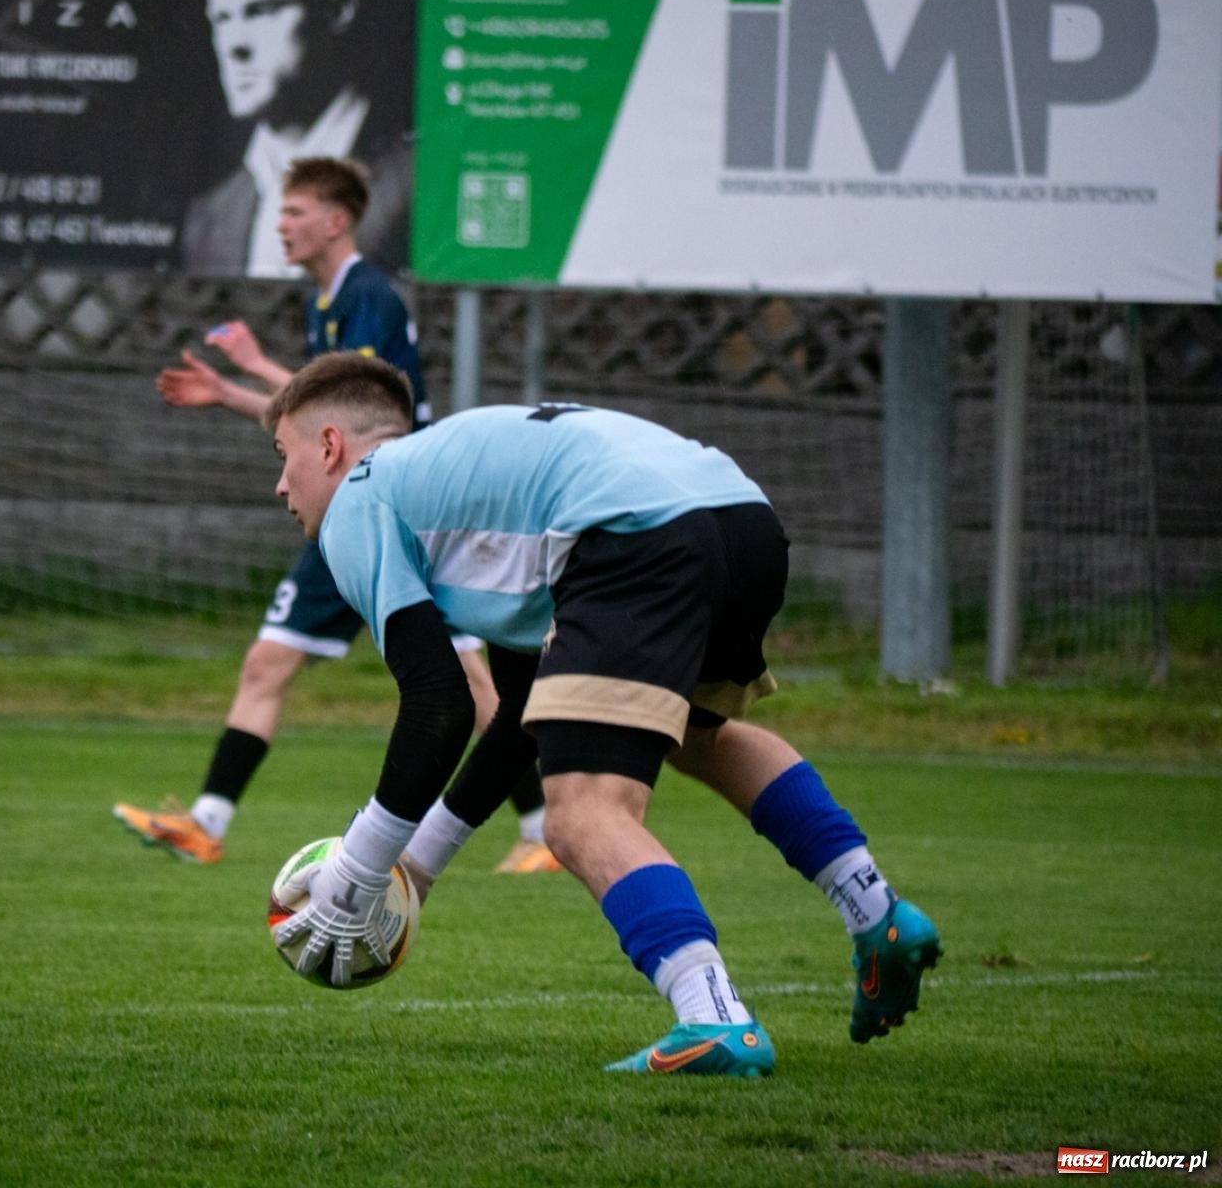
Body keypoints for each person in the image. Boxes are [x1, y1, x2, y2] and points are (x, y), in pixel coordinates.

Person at [264, 352, 944, 1076]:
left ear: (331, 446)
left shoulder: (364, 495)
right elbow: (522, 716)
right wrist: (418, 868)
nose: (280, 486)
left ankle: (713, 1018)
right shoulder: (471, 493)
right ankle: (877, 914)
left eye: (283, 456)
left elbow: (439, 705)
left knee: (581, 812)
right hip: (743, 523)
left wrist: (359, 874)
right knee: (699, 738)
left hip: (636, 537)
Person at [114, 156, 557, 875]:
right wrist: (235, 388)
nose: (281, 225)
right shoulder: (324, 302)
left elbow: (354, 420)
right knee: (275, 663)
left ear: (336, 221)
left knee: (477, 689)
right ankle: (206, 821)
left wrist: (252, 372)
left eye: (295, 212)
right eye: (281, 211)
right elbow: (315, 421)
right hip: (363, 507)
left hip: (385, 514)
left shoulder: (370, 298)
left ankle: (543, 830)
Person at [181, 0, 411, 277]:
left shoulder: (418, 181)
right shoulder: (208, 220)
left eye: (262, 10)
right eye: (222, 19)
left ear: (339, 9)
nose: (233, 45)